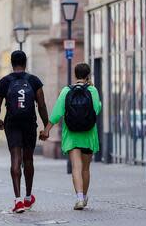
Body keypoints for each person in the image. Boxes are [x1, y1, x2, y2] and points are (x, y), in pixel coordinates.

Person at [0, 50, 49, 214]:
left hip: (12, 123)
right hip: (29, 123)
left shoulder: (4, 81)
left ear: (11, 63)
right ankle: (28, 196)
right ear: (26, 62)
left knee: (15, 158)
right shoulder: (34, 80)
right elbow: (42, 105)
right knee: (28, 159)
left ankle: (17, 201)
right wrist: (45, 127)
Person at [40, 63, 101, 211]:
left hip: (72, 134)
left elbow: (57, 112)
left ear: (75, 75)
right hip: (88, 134)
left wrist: (46, 130)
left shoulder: (66, 90)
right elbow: (97, 109)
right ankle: (84, 197)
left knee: (76, 167)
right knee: (85, 169)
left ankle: (79, 198)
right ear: (88, 75)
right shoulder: (92, 90)